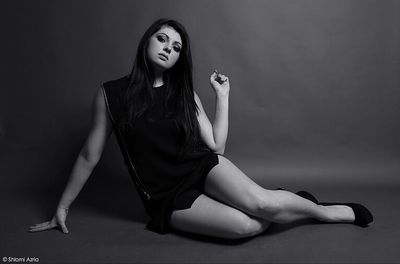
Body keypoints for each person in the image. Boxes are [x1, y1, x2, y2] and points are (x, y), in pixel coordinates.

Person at [29, 18, 373, 239]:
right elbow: (90, 154)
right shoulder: (110, 94)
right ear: (146, 42)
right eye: (162, 39)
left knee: (264, 205)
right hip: (166, 197)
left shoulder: (183, 93)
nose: (168, 48)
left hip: (202, 168)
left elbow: (215, 147)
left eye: (176, 47)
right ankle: (291, 202)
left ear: (180, 58)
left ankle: (322, 211)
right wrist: (62, 207)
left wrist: (222, 97)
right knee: (247, 226)